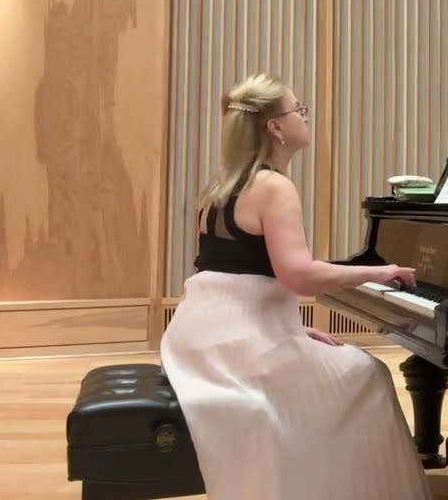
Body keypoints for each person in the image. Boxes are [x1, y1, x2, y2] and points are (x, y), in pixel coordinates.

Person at [159, 73, 432, 500]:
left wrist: (291, 330)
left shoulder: (220, 188)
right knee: (369, 375)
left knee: (343, 369)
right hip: (233, 349)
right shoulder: (274, 187)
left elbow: (229, 279)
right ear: (276, 127)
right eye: (299, 110)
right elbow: (297, 276)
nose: (305, 117)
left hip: (195, 338)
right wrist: (377, 272)